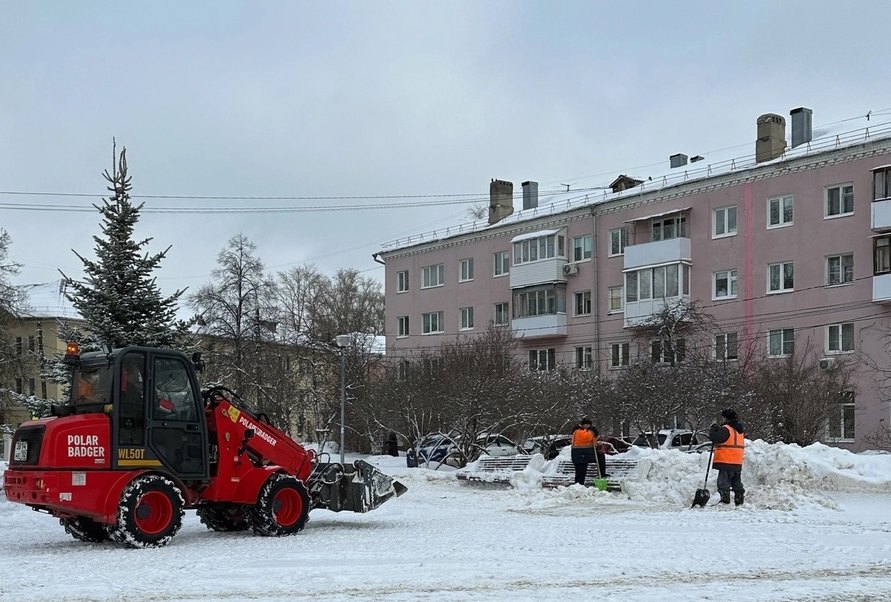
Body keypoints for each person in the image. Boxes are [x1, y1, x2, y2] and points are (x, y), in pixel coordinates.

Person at [708, 408, 746, 505]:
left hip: (726, 459)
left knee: (723, 482)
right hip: (737, 460)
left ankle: (725, 500)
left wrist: (713, 429)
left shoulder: (726, 429)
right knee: (736, 482)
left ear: (726, 418)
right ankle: (739, 500)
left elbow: (716, 438)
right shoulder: (739, 430)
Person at [570, 418, 598, 486]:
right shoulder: (578, 431)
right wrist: (592, 432)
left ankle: (580, 484)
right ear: (582, 425)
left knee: (582, 470)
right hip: (579, 452)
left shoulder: (585, 431)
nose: (588, 426)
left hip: (583, 453)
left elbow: (592, 440)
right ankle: (579, 484)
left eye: (589, 424)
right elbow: (586, 438)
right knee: (580, 470)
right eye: (586, 424)